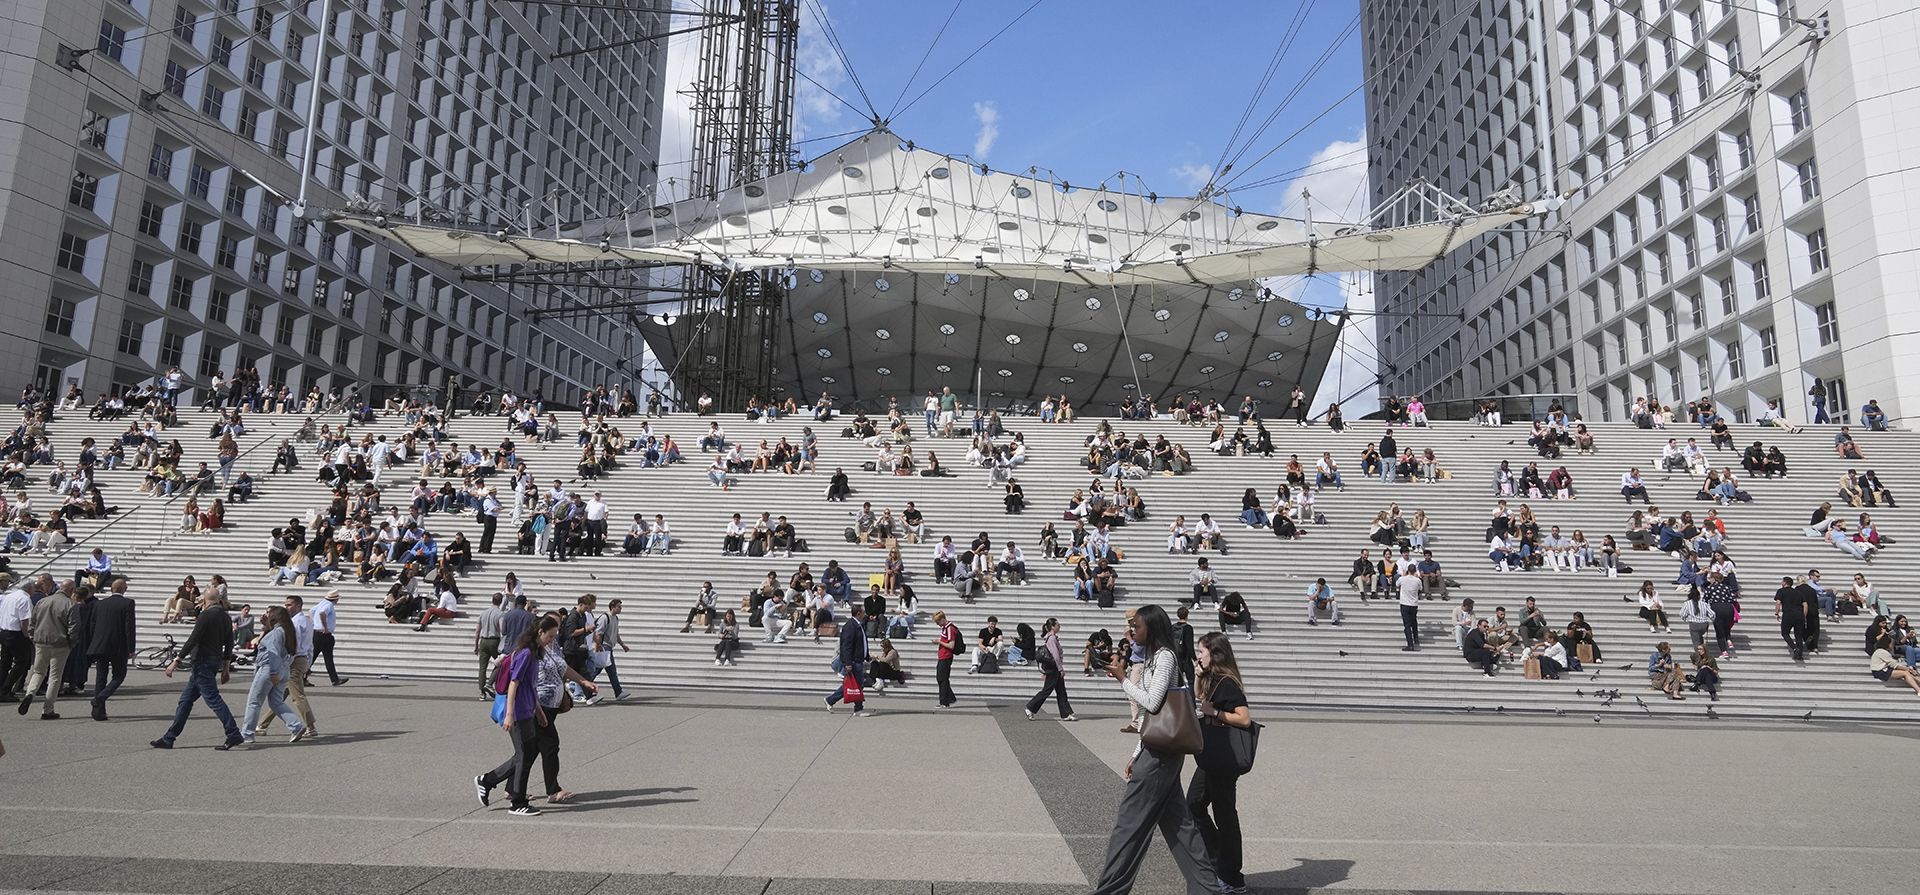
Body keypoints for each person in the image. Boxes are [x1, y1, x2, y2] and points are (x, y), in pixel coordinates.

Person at [1092, 604, 1231, 895]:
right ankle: (1207, 888)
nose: (1132, 630)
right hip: (1159, 751)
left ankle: (1109, 891)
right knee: (1180, 827)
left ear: (1152, 629)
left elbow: (1153, 704)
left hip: (1159, 757)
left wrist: (1122, 680)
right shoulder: (1157, 657)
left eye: (1137, 626)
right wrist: (1136, 752)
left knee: (1128, 825)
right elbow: (1154, 716)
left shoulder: (1164, 657)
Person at [1186, 631, 1253, 891]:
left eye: (1201, 651)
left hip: (1224, 757)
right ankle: (1218, 860)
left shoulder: (1227, 683)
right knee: (1193, 804)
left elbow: (1244, 718)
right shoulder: (1212, 678)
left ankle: (1232, 877)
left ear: (1214, 654)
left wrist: (1216, 712)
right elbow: (1198, 703)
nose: (1197, 656)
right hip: (1213, 755)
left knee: (1225, 816)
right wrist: (1198, 677)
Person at [475, 616, 558, 816]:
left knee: (527, 754)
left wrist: (538, 711)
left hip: (527, 710)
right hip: (518, 713)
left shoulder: (535, 653)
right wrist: (509, 715)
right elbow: (514, 683)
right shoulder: (525, 654)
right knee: (523, 756)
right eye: (550, 635)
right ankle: (517, 801)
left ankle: (487, 780)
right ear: (540, 632)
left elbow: (531, 685)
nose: (552, 640)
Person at [150, 589, 245, 750]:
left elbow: (193, 639)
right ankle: (169, 738)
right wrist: (226, 667)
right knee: (185, 701)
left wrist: (176, 660)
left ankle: (233, 733)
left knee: (213, 699)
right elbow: (229, 642)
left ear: (204, 600)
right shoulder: (224, 616)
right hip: (213, 661)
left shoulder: (206, 615)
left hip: (202, 661)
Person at [239, 606, 309, 744]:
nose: (265, 615)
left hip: (270, 669)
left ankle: (247, 733)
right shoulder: (287, 631)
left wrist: (272, 672)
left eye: (268, 613)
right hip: (284, 669)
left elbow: (272, 652)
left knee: (254, 702)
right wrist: (265, 627)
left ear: (275, 617)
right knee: (276, 702)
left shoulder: (277, 632)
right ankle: (296, 726)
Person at [16, 583, 82, 719]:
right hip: (60, 644)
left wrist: (33, 637)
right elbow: (74, 627)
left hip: (40, 642)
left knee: (38, 672)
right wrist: (71, 643)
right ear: (71, 591)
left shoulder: (42, 601)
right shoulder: (70, 604)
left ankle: (30, 692)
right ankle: (48, 709)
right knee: (55, 677)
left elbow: (32, 622)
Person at [87, 580, 137, 721]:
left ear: (111, 589)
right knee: (119, 676)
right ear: (124, 589)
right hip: (118, 646)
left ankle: (98, 712)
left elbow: (92, 624)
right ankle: (100, 698)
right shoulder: (128, 603)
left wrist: (94, 642)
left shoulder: (99, 603)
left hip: (100, 645)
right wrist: (131, 648)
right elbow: (129, 627)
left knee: (101, 677)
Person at [1023, 617, 1076, 721]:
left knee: (1061, 691)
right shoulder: (1051, 639)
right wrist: (1060, 669)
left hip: (1054, 668)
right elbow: (1055, 655)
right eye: (1057, 625)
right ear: (1052, 627)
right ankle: (1030, 708)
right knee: (1046, 691)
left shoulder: (1053, 638)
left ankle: (1066, 713)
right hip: (1053, 669)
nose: (1059, 626)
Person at [824, 606, 872, 715]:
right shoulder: (850, 626)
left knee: (854, 685)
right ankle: (858, 709)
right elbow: (846, 646)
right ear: (858, 613)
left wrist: (867, 655)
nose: (865, 614)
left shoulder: (859, 625)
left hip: (858, 659)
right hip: (854, 661)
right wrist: (847, 663)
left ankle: (831, 700)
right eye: (863, 612)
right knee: (857, 685)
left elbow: (863, 642)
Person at [933, 610, 962, 708]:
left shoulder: (950, 629)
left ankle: (944, 702)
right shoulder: (945, 628)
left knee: (943, 679)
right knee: (941, 678)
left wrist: (939, 642)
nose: (937, 625)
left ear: (942, 620)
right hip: (942, 656)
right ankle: (950, 698)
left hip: (946, 656)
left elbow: (951, 645)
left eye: (937, 622)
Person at [1396, 563, 1422, 650]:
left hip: (1404, 604)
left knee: (1407, 625)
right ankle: (1416, 638)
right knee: (1414, 621)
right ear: (1415, 571)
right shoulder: (1418, 580)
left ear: (1408, 570)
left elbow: (1397, 584)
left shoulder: (1402, 579)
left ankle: (1410, 644)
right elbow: (1420, 589)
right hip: (1414, 604)